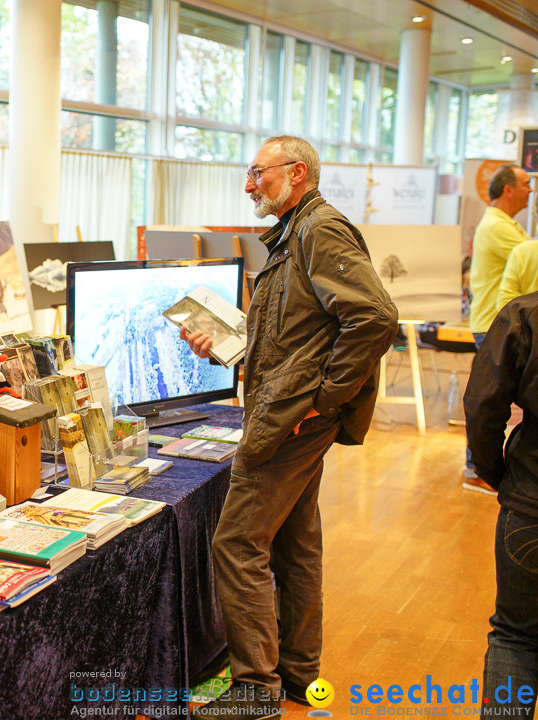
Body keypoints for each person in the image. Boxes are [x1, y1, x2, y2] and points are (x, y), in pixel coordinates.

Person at [184, 136, 398, 719]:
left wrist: (324, 399)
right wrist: (226, 350)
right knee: (295, 543)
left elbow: (375, 318)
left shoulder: (319, 230)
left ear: (295, 173)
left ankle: (254, 689)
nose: (248, 184)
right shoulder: (293, 233)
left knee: (236, 543)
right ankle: (299, 674)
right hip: (287, 412)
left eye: (257, 172)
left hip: (288, 422)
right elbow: (292, 338)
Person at [463, 292, 538, 720]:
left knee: (516, 638)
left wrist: (497, 474)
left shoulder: (524, 314)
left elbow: (482, 405)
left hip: (530, 501)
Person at [466, 164, 532, 492]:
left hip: (498, 321)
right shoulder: (498, 227)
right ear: (508, 189)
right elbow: (530, 258)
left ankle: (476, 467)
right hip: (495, 323)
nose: (530, 189)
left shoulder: (504, 224)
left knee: (490, 397)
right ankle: (476, 470)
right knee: (490, 399)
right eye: (525, 183)